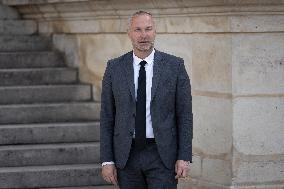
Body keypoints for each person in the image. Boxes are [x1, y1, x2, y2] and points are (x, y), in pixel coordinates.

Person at [100, 10, 193, 189]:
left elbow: (185, 115)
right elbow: (107, 117)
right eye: (138, 30)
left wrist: (184, 156)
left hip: (162, 154)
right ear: (129, 33)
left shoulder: (175, 66)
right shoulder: (114, 68)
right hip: (127, 155)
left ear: (155, 31)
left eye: (148, 29)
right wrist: (107, 161)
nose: (144, 35)